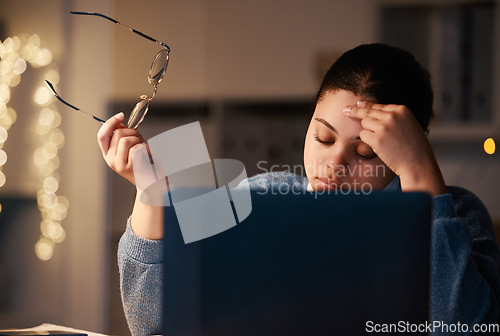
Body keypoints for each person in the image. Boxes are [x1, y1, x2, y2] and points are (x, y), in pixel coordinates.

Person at [97, 43, 500, 335]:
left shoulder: (456, 216)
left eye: (364, 152)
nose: (334, 164)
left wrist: (423, 180)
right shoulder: (262, 196)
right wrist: (150, 194)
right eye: (323, 138)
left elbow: (468, 327)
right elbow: (151, 323)